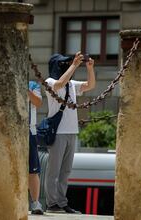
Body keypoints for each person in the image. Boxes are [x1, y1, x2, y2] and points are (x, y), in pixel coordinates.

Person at [44, 52, 95, 214]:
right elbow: (59, 84)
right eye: (63, 64)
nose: (66, 65)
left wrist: (90, 68)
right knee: (54, 171)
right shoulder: (49, 81)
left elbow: (90, 86)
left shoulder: (71, 83)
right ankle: (52, 203)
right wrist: (74, 65)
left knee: (65, 171)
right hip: (58, 132)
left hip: (72, 131)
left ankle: (62, 202)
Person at [28, 81, 44, 215]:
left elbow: (38, 103)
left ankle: (35, 202)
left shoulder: (33, 85)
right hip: (8, 130)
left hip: (29, 131)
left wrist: (25, 89)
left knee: (33, 170)